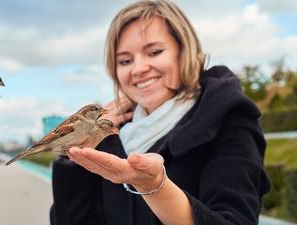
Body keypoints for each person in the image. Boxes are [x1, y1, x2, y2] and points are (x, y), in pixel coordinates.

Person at [50, 1, 270, 225]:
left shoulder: (227, 119)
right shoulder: (112, 135)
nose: (138, 69)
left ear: (183, 51)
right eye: (125, 61)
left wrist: (154, 186)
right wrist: (77, 153)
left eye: (154, 52)